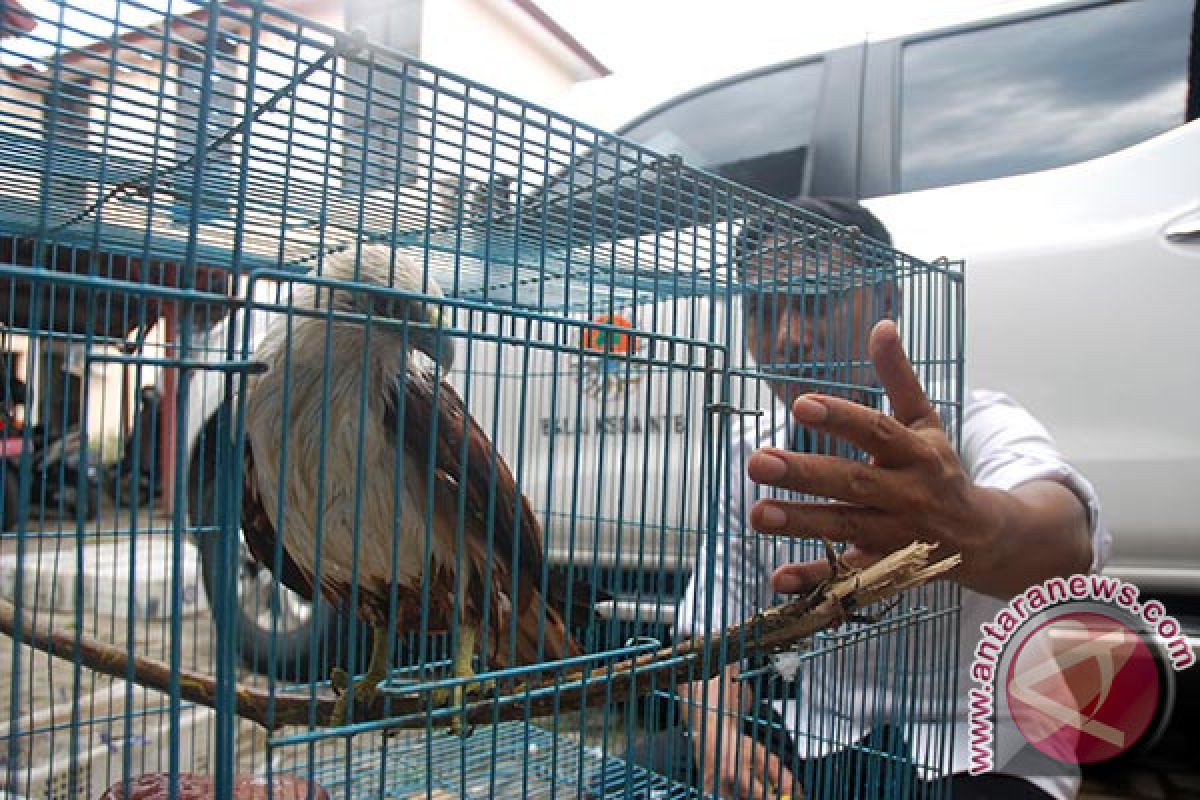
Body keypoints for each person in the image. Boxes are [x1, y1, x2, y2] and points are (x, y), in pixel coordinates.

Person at [663, 197, 1109, 800]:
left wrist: (970, 527)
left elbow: (1066, 539)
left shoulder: (972, 422)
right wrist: (716, 734)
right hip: (824, 739)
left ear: (888, 305)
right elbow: (710, 624)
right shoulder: (757, 456)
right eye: (764, 311)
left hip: (979, 753)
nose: (790, 337)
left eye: (818, 300)